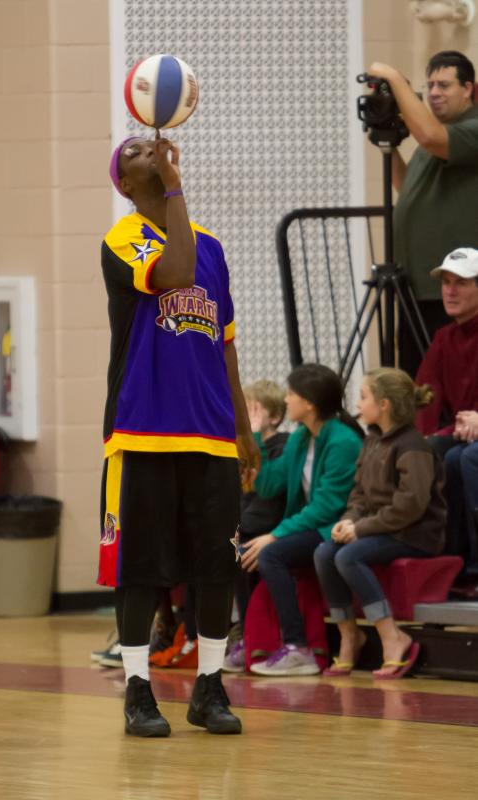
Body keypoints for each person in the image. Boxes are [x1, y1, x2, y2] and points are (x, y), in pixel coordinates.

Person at [98, 134, 259, 737]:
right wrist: (173, 186)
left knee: (217, 567)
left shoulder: (213, 247)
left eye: (153, 144)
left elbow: (227, 346)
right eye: (136, 150)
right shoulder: (124, 238)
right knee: (141, 568)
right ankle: (138, 692)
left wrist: (243, 428)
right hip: (142, 429)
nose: (151, 147)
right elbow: (175, 270)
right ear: (127, 182)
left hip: (211, 432)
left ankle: (209, 689)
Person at [314, 368, 446, 680]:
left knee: (348, 555)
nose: (357, 403)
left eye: (363, 396)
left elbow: (410, 506)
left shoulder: (413, 445)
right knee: (324, 552)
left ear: (384, 404)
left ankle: (392, 636)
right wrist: (347, 521)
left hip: (415, 532)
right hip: (382, 527)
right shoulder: (372, 440)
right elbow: (359, 495)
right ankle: (349, 635)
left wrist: (360, 529)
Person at [239, 364, 364, 677]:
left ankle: (298, 647)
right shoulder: (299, 439)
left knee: (270, 553)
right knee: (242, 554)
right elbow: (267, 485)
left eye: (291, 394)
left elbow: (327, 507)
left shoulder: (343, 441)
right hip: (310, 525)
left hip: (334, 527)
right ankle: (251, 639)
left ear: (309, 403)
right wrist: (254, 438)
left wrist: (276, 534)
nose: (286, 400)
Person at [367, 51, 478, 376]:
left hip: (452, 286)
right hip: (416, 283)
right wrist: (388, 145)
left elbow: (430, 136)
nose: (433, 93)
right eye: (429, 85)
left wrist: (394, 77)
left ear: (468, 89)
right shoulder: (438, 137)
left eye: (444, 85)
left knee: (440, 377)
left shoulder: (467, 130)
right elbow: (408, 186)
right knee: (414, 374)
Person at [415, 247, 478, 561]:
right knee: (425, 451)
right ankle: (449, 561)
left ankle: (469, 561)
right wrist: (418, 436)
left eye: (461, 283)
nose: (450, 291)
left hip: (471, 436)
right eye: (446, 282)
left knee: (463, 458)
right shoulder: (444, 338)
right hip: (461, 433)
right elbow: (425, 395)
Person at [222, 380, 289, 673]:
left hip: (269, 524)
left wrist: (255, 436)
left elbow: (268, 495)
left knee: (240, 554)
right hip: (247, 525)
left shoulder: (283, 445)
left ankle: (254, 636)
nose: (248, 417)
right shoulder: (241, 448)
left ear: (273, 416)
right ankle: (230, 632)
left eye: (255, 410)